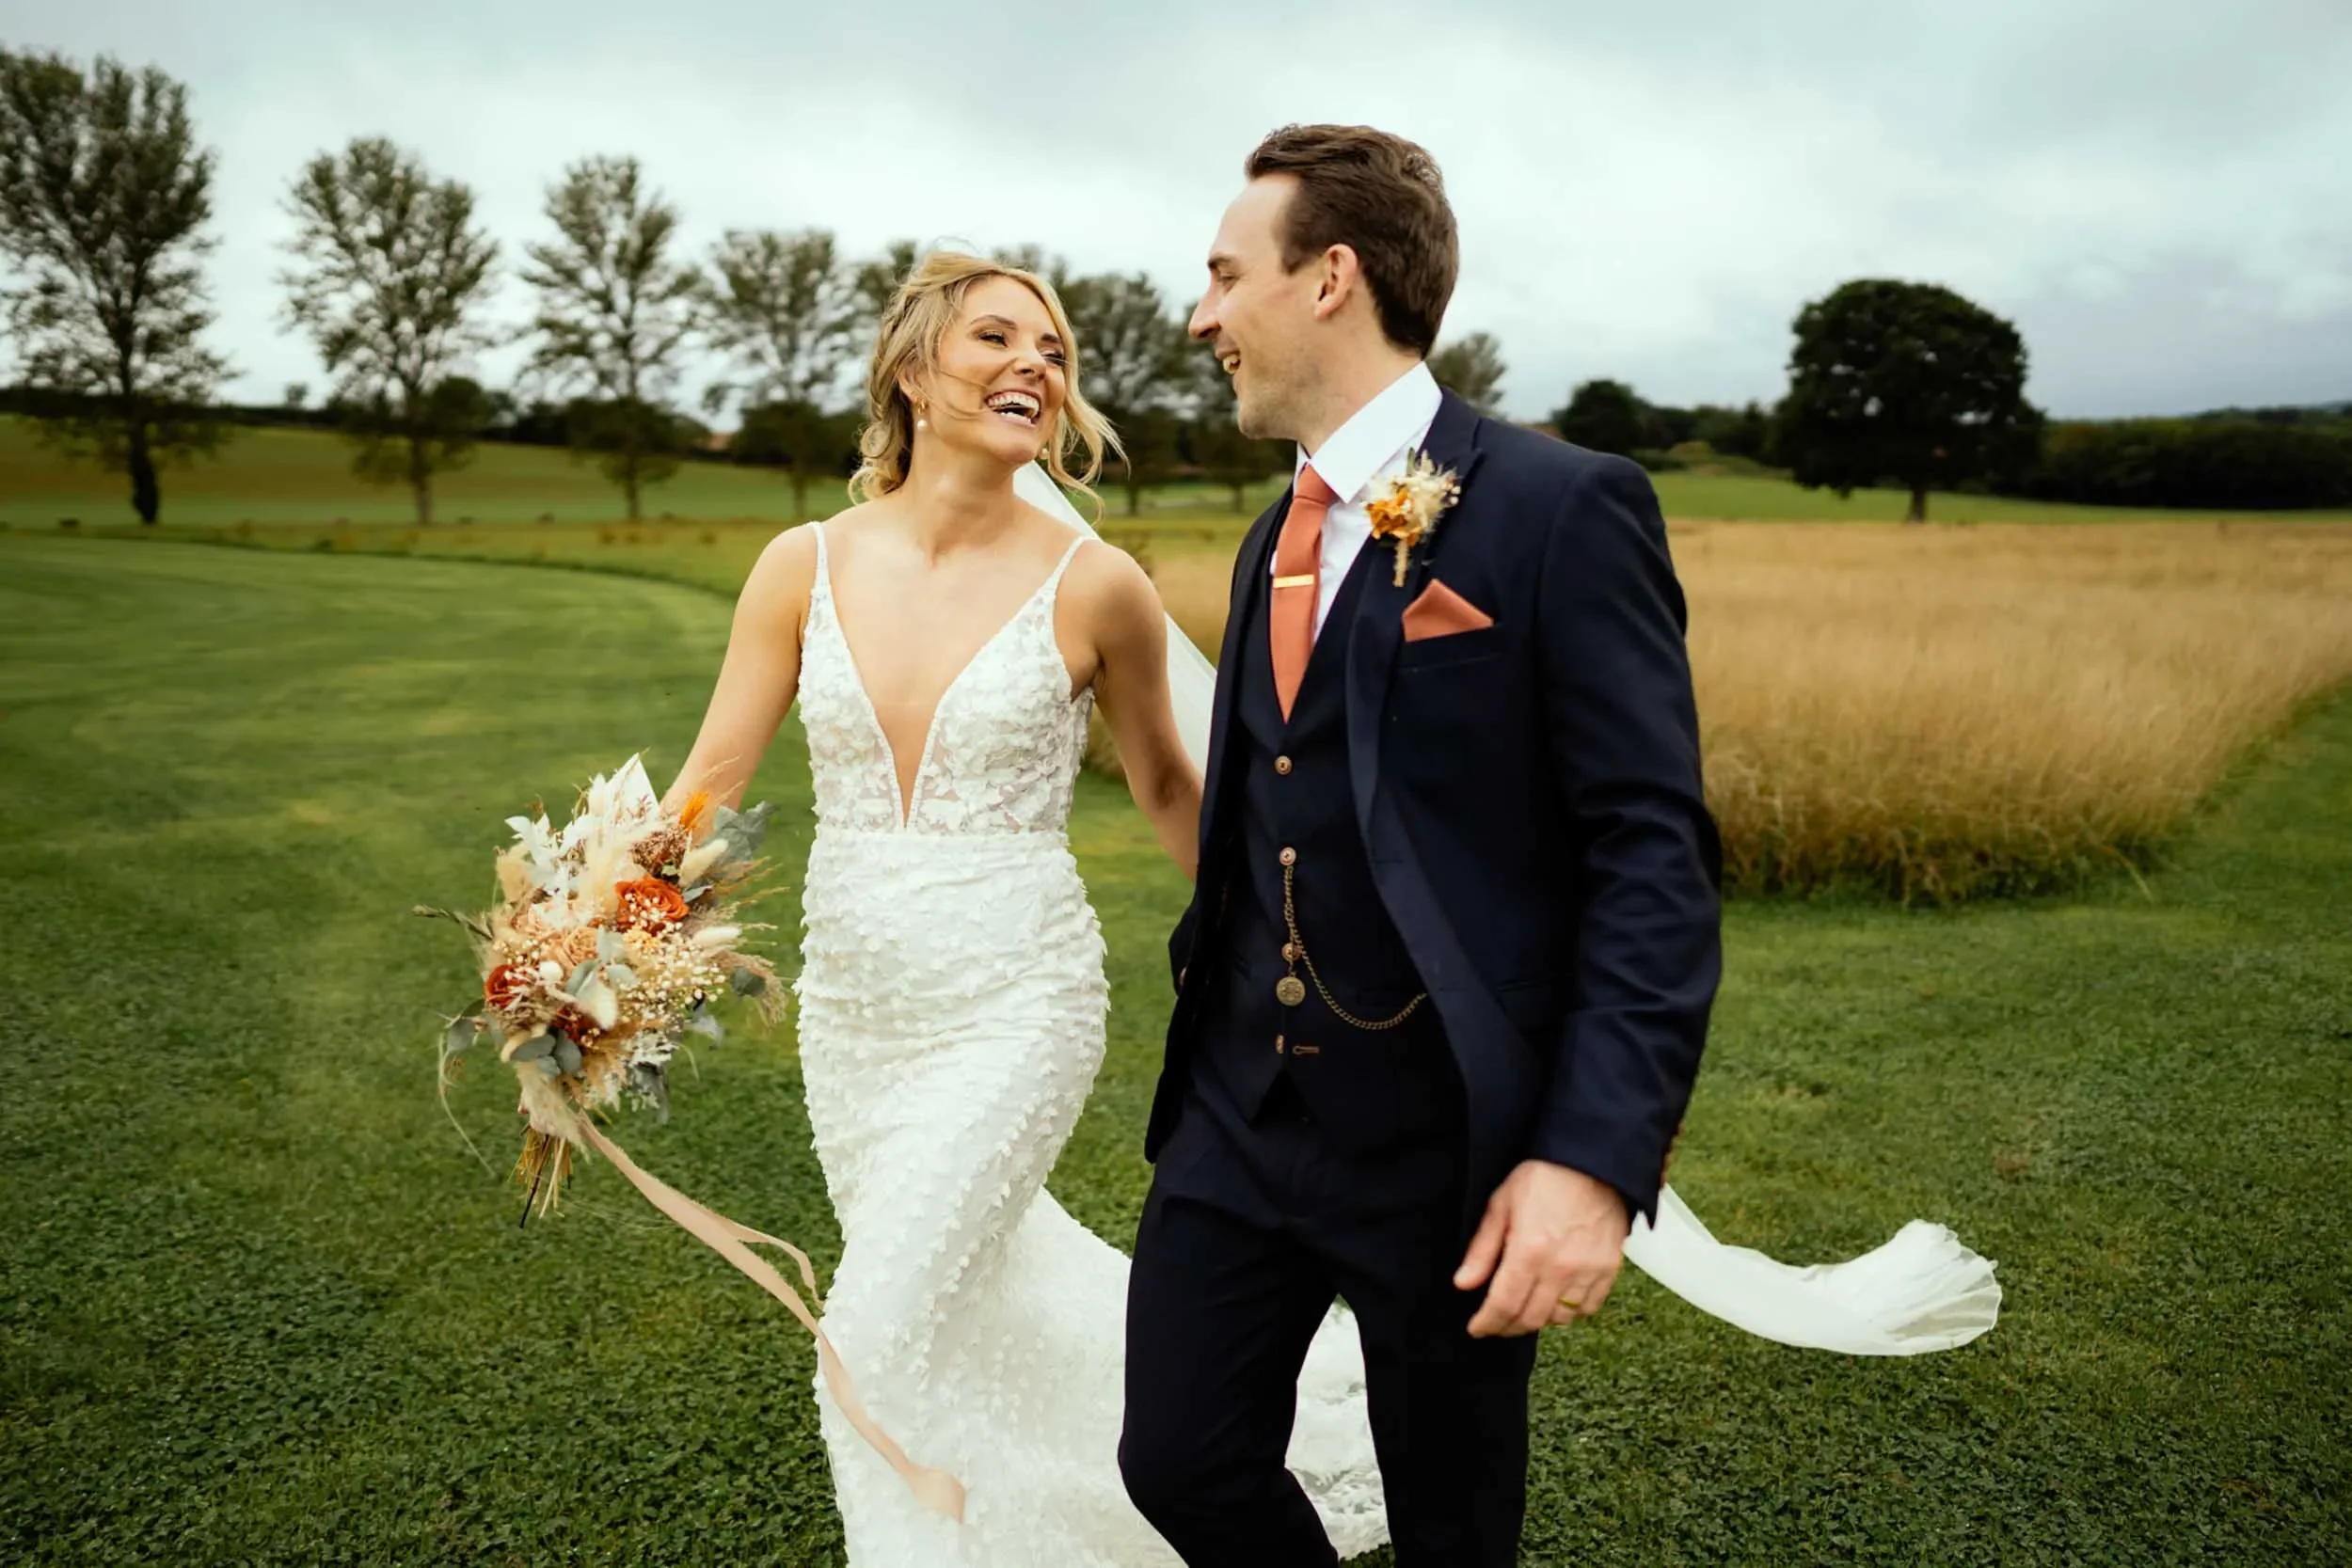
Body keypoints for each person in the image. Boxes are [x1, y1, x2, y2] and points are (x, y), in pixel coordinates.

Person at [1116, 124, 1996, 1568]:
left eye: (1223, 275)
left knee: (1455, 1528)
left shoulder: (1560, 507)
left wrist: (1592, 1159)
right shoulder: (1269, 527)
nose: (1201, 314)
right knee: (1180, 1460)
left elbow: (1649, 853)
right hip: (1232, 1117)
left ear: (1330, 276)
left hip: (1441, 1141)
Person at [661, 250, 1391, 1565]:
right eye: (997, 336)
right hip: (858, 1018)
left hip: (1019, 1002)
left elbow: (1177, 787)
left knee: (875, 1325)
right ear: (910, 367)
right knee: (965, 1295)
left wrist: (1313, 946)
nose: (1035, 366)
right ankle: (1094, 1492)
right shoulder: (799, 566)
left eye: (1051, 350)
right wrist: (575, 939)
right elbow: (708, 781)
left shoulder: (1092, 582)